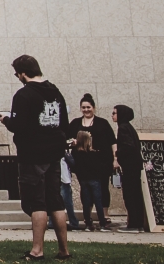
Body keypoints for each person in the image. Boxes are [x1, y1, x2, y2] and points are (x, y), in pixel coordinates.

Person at [0, 55, 71, 261]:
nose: (18, 78)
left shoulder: (24, 94)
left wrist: (6, 120)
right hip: (54, 154)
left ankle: (37, 250)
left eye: (17, 74)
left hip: (32, 154)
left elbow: (18, 125)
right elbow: (63, 124)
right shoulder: (55, 93)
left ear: (22, 73)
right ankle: (64, 250)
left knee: (37, 202)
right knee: (55, 200)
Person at [64, 94, 117, 232]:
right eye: (83, 107)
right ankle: (88, 219)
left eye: (88, 107)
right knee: (86, 192)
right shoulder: (75, 123)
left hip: (101, 162)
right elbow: (66, 139)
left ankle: (104, 217)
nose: (86, 110)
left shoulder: (102, 123)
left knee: (101, 190)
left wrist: (115, 159)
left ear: (93, 108)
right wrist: (73, 143)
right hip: (82, 164)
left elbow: (112, 142)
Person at [114, 105, 150, 233]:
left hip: (129, 167)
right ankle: (137, 223)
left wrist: (118, 155)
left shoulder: (123, 128)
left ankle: (133, 224)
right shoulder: (129, 127)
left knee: (130, 195)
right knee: (135, 194)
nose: (113, 116)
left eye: (114, 113)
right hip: (134, 166)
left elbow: (127, 147)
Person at [60, 150, 82, 232]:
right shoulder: (63, 155)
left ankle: (53, 222)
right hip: (64, 179)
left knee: (57, 202)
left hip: (61, 178)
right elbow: (72, 163)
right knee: (68, 202)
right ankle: (73, 222)